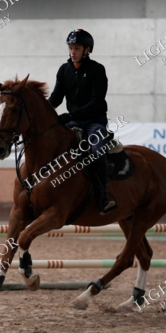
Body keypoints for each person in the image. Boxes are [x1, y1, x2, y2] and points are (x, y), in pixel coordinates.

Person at [48, 29, 117, 214]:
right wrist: (42, 110)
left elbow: (97, 102)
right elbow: (56, 98)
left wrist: (71, 115)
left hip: (95, 122)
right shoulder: (64, 70)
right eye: (71, 48)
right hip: (73, 123)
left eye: (77, 48)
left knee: (97, 151)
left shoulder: (97, 69)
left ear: (87, 50)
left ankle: (104, 196)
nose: (73, 52)